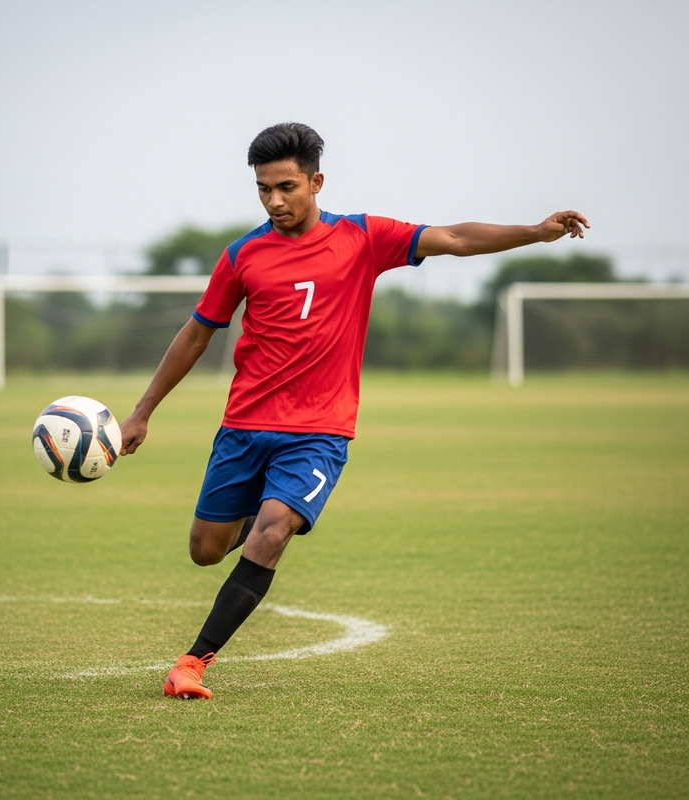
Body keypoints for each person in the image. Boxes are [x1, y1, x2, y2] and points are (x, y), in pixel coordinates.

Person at [119, 122, 589, 699]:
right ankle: (274, 505)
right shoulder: (242, 255)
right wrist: (142, 413)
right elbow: (197, 335)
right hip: (244, 426)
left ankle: (192, 662)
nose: (274, 200)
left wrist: (534, 233)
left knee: (270, 534)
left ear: (317, 181)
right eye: (263, 189)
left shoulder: (364, 237)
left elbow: (456, 238)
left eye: (286, 187)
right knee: (205, 551)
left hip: (319, 430)